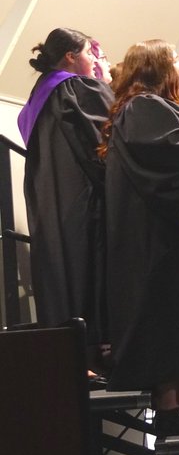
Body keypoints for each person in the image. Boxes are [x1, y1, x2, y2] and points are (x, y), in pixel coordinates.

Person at [101, 39, 179, 426]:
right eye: (175, 60)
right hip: (156, 238)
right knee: (167, 313)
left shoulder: (158, 108)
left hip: (174, 238)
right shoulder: (143, 108)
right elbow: (172, 155)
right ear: (157, 67)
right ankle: (169, 402)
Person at [18, 28, 113, 354]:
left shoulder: (39, 95)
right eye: (90, 54)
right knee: (85, 263)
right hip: (81, 194)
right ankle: (92, 347)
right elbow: (109, 137)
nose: (94, 61)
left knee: (58, 267)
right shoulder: (78, 88)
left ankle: (67, 350)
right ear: (71, 56)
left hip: (47, 196)